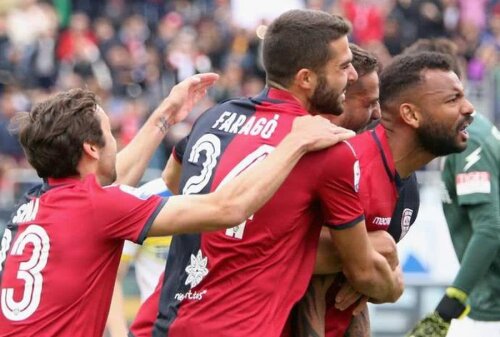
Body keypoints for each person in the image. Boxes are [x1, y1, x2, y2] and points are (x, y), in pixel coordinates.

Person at [0, 77, 353, 336]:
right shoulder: (97, 207)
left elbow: (114, 178)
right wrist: (294, 143)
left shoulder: (33, 202)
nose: (116, 140)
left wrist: (167, 113)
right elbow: (227, 208)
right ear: (91, 149)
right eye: (110, 134)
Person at [131, 10, 405, 337]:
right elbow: (362, 269)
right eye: (343, 67)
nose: (351, 77)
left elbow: (173, 182)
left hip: (161, 323)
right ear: (305, 79)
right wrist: (393, 287)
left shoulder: (213, 118)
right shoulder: (325, 148)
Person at [407, 40, 500, 337]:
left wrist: (451, 302)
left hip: (491, 307)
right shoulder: (465, 134)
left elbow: (490, 228)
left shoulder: (468, 141)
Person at [106, 178, 172, 337]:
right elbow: (112, 276)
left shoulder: (228, 197)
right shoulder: (149, 197)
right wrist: (119, 333)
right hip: (155, 328)